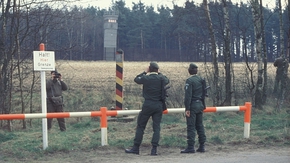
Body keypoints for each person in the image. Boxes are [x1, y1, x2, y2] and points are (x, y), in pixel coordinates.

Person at [125, 62, 169, 156]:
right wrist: (159, 73)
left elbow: (136, 79)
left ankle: (136, 147)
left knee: (141, 126)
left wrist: (145, 72)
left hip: (148, 104)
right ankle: (154, 149)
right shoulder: (161, 78)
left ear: (149, 68)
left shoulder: (146, 78)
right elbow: (167, 80)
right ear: (157, 69)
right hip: (158, 105)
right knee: (156, 128)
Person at [181, 63, 206, 153]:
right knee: (200, 125)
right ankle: (202, 145)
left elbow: (188, 96)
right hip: (200, 104)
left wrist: (187, 108)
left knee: (191, 126)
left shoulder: (190, 81)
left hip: (193, 105)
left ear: (189, 70)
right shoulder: (201, 79)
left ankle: (191, 146)